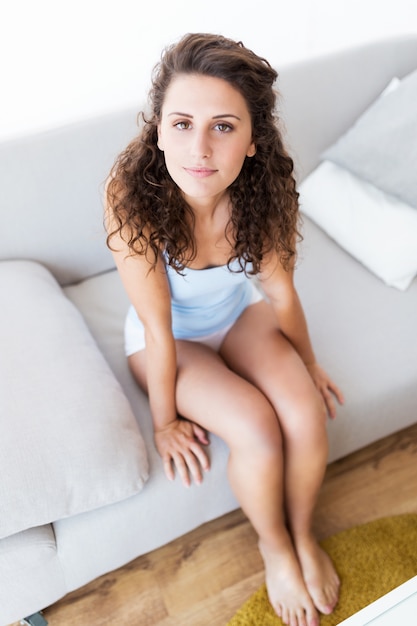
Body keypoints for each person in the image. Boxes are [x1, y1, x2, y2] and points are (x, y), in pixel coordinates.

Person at [105, 32, 344, 626]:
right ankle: (274, 547)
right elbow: (159, 330)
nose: (200, 149)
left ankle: (301, 533)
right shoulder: (130, 198)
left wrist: (308, 365)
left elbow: (281, 293)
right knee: (259, 430)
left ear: (254, 141)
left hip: (239, 315)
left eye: (224, 126)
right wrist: (164, 422)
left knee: (305, 412)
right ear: (157, 129)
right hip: (171, 341)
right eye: (182, 123)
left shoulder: (263, 198)